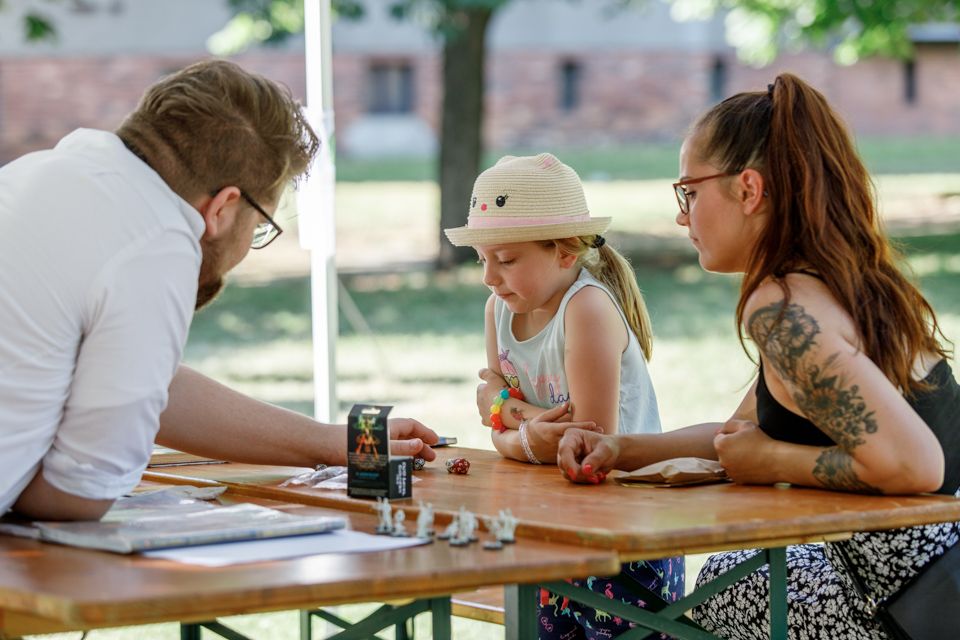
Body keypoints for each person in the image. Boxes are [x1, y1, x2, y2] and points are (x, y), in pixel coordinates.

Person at [558, 73, 960, 639]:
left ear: (747, 190)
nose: (681, 216)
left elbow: (916, 467)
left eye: (689, 193)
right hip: (918, 584)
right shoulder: (837, 279)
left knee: (727, 593)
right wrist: (622, 449)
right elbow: (740, 433)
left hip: (924, 604)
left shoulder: (782, 308)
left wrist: (771, 462)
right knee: (730, 576)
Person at [0, 59, 437, 522]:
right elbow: (77, 494)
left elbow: (150, 384)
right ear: (225, 208)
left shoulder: (37, 175)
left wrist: (329, 442)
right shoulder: (156, 239)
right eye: (260, 225)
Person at [445, 153, 683, 639]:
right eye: (482, 259)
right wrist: (519, 424)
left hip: (624, 534)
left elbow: (590, 446)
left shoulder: (587, 309)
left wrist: (510, 415)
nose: (489, 277)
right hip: (549, 524)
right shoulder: (499, 310)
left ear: (565, 252)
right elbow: (501, 428)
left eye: (507, 260)